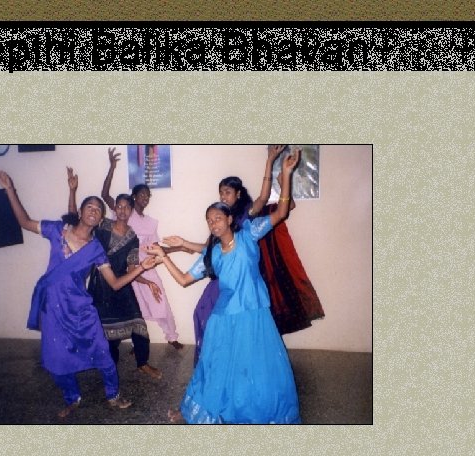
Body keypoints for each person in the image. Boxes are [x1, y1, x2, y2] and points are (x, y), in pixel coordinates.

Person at [144, 148, 303, 424]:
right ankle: (199, 410)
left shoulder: (249, 233)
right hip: (223, 318)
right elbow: (184, 279)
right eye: (209, 220)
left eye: (217, 218)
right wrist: (163, 257)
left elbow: (281, 212)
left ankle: (254, 410)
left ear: (230, 219)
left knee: (257, 368)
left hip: (253, 315)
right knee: (214, 366)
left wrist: (286, 173)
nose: (213, 223)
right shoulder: (212, 254)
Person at [0, 167, 159, 418]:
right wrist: (9, 190)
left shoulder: (96, 249)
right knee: (56, 356)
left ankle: (113, 394)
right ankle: (72, 398)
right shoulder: (57, 230)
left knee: (103, 351)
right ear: (80, 212)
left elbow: (115, 283)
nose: (94, 210)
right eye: (89, 207)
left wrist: (141, 268)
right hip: (53, 307)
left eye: (98, 209)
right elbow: (25, 222)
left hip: (81, 307)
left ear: (101, 218)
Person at [164, 145, 324, 365]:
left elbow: (266, 199)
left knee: (244, 330)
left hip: (244, 280)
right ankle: (212, 362)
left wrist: (271, 162)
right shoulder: (217, 221)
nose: (223, 196)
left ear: (237, 195)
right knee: (202, 315)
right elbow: (207, 250)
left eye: (227, 192)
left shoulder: (246, 219)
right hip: (223, 278)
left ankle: (233, 362)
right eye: (221, 192)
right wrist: (174, 248)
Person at [66, 163, 162, 380]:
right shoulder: (102, 226)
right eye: (119, 206)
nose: (122, 210)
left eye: (126, 207)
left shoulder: (133, 238)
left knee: (138, 323)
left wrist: (148, 282)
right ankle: (108, 366)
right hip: (100, 286)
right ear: (114, 209)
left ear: (131, 210)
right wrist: (72, 191)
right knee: (106, 332)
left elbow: (132, 268)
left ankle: (143, 363)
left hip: (122, 285)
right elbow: (75, 220)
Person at [101, 147, 184, 350]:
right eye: (142, 195)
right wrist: (112, 167)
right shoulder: (123, 213)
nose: (145, 198)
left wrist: (180, 248)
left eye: (148, 196)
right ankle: (137, 342)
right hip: (126, 269)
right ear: (134, 196)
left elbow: (155, 248)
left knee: (160, 300)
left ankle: (171, 336)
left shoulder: (150, 222)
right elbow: (104, 195)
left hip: (145, 266)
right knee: (133, 307)